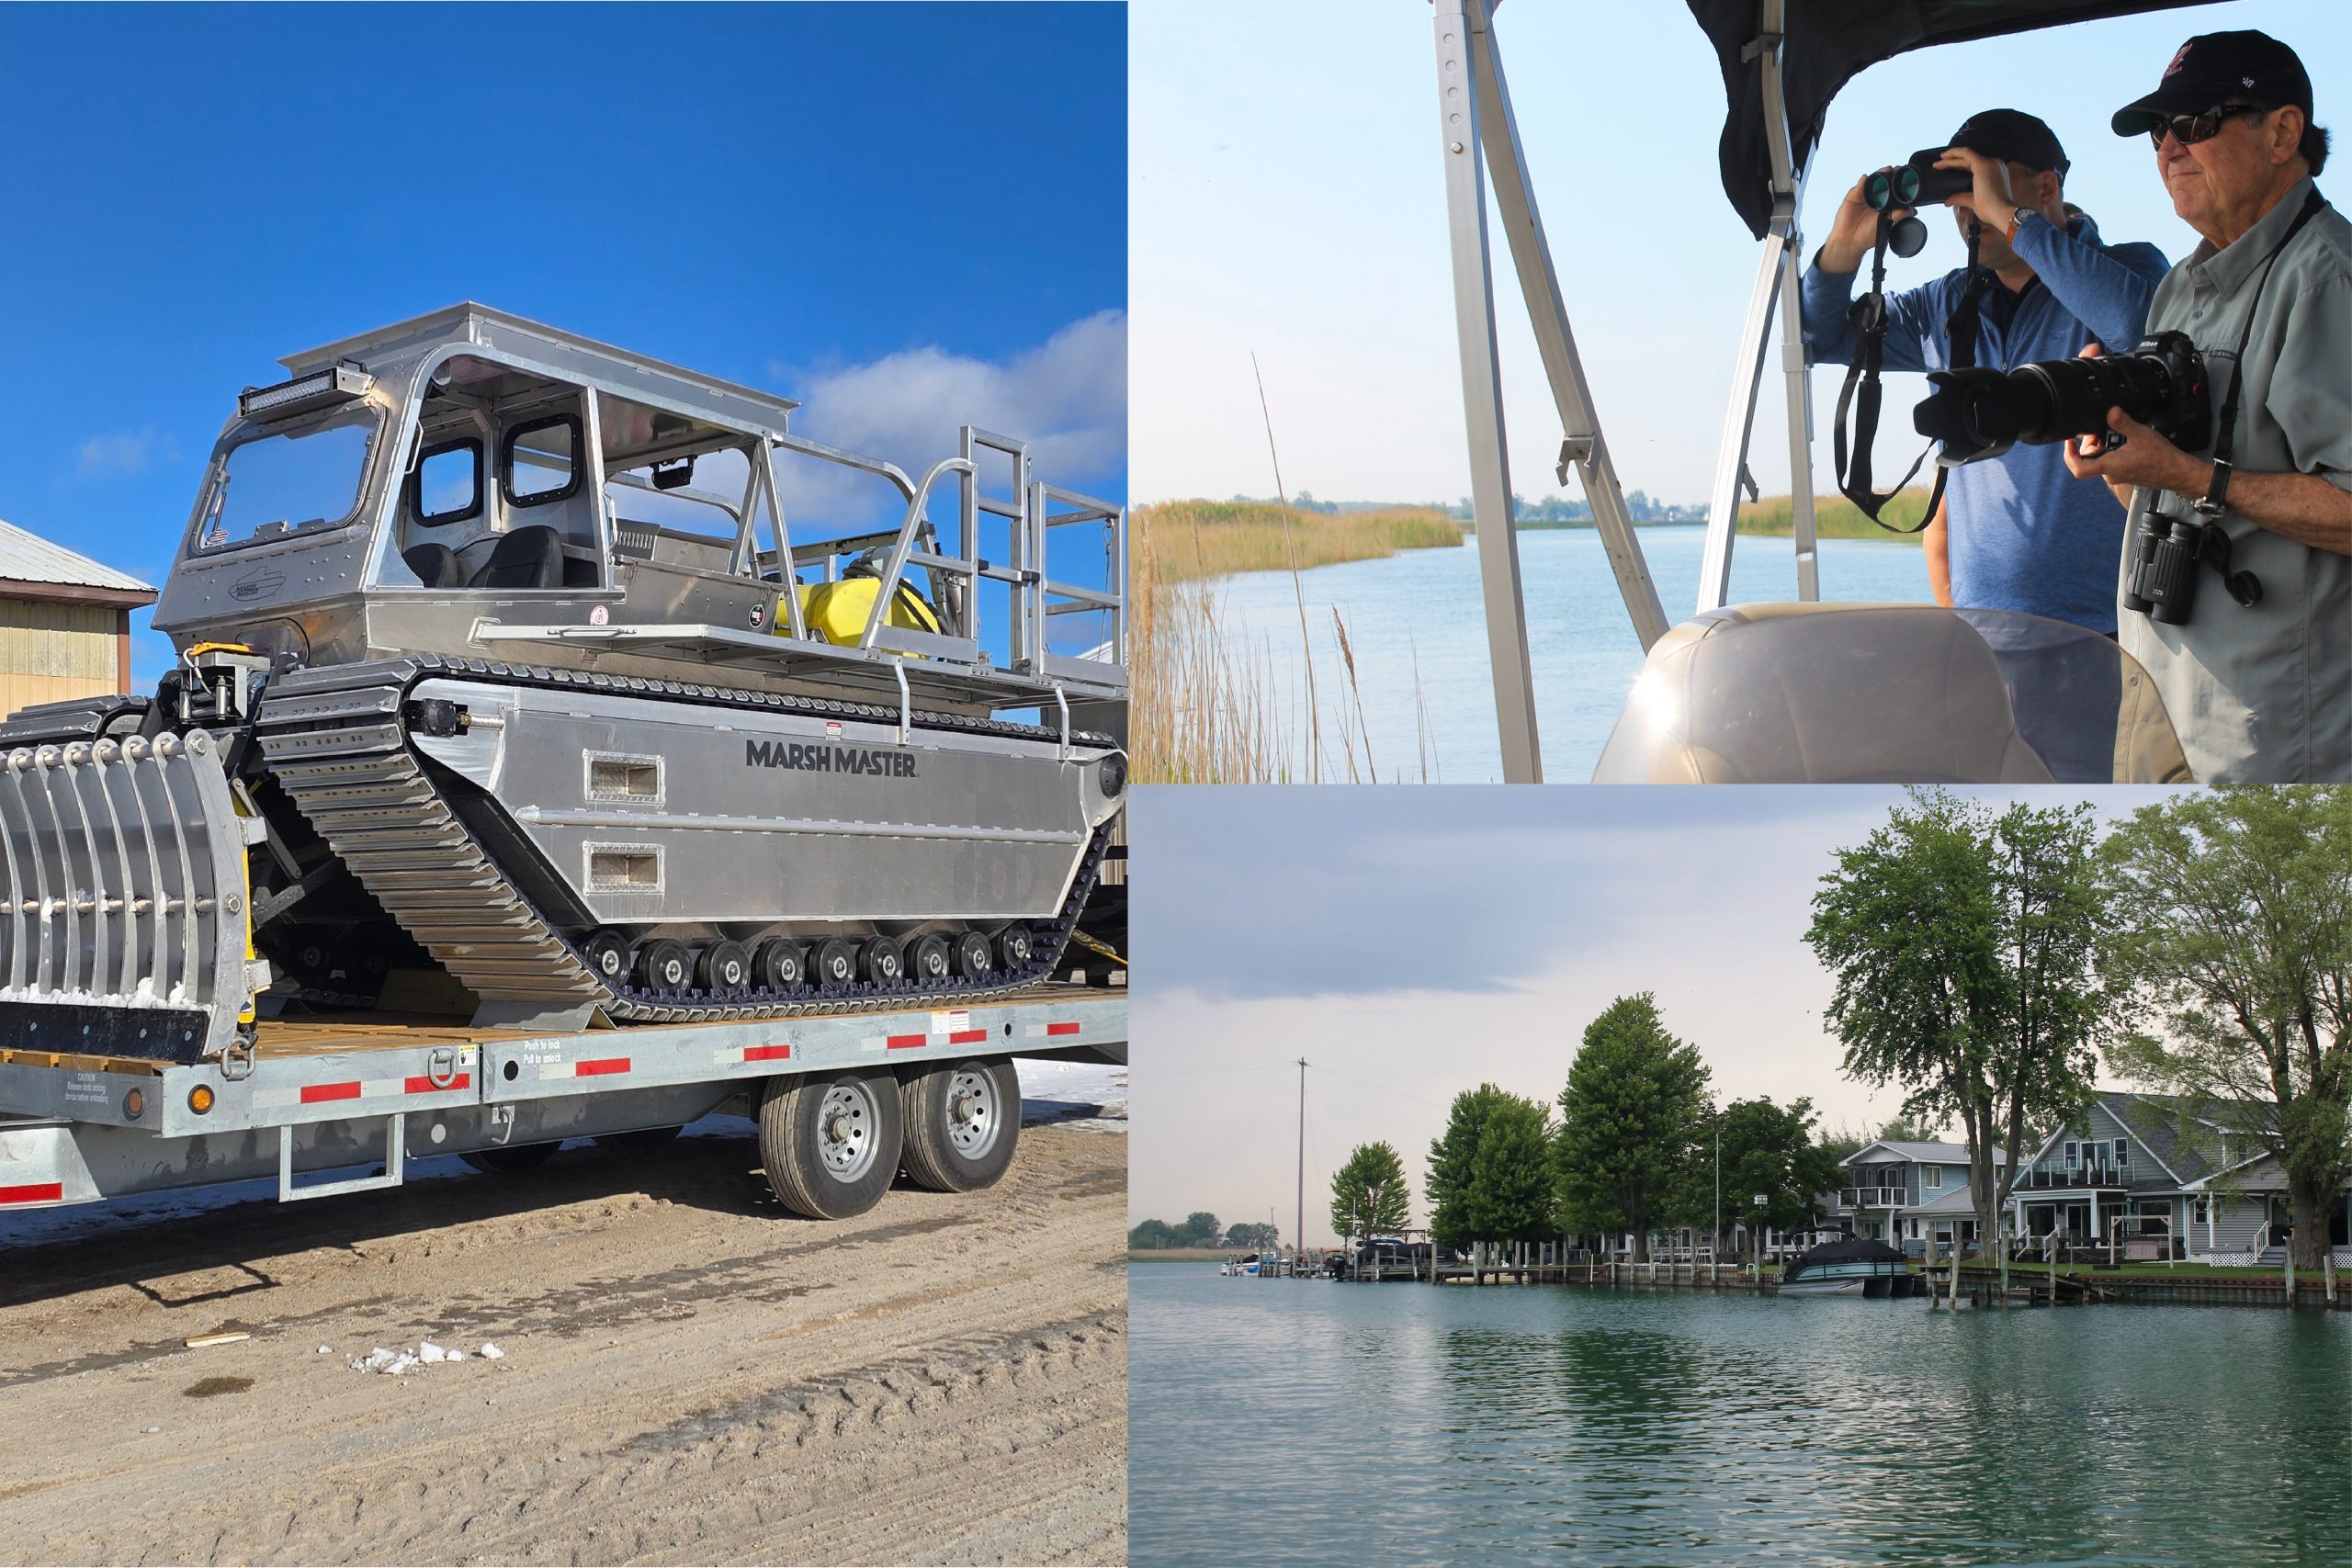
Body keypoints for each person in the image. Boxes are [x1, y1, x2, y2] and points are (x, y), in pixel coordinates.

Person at [2067, 30, 2352, 784]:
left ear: (2282, 132)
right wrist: (2122, 463)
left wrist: (2199, 476)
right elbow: (2167, 488)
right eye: (2159, 132)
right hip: (2161, 713)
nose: (2168, 148)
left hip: (2272, 743)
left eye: (2194, 122)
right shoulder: (2180, 287)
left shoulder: (2326, 279)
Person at [1802, 109, 2169, 634]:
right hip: (1984, 632)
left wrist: (2016, 223)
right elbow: (1817, 338)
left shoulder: (2129, 268)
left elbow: (2139, 326)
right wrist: (1845, 244)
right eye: (1960, 193)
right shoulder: (1946, 303)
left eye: (1984, 185)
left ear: (2046, 188)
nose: (1970, 210)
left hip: (2109, 633)